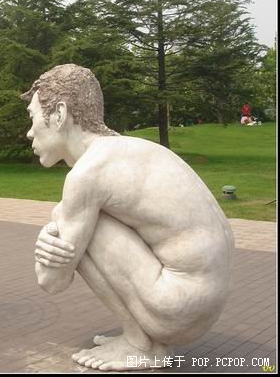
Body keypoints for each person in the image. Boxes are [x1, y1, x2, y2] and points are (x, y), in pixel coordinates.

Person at [23, 64, 234, 371]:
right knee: (80, 219)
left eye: (32, 117)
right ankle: (145, 340)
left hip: (177, 308)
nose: (29, 132)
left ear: (59, 114)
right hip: (200, 302)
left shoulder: (88, 174)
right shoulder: (127, 150)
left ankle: (139, 345)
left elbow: (52, 281)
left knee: (73, 219)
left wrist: (47, 242)